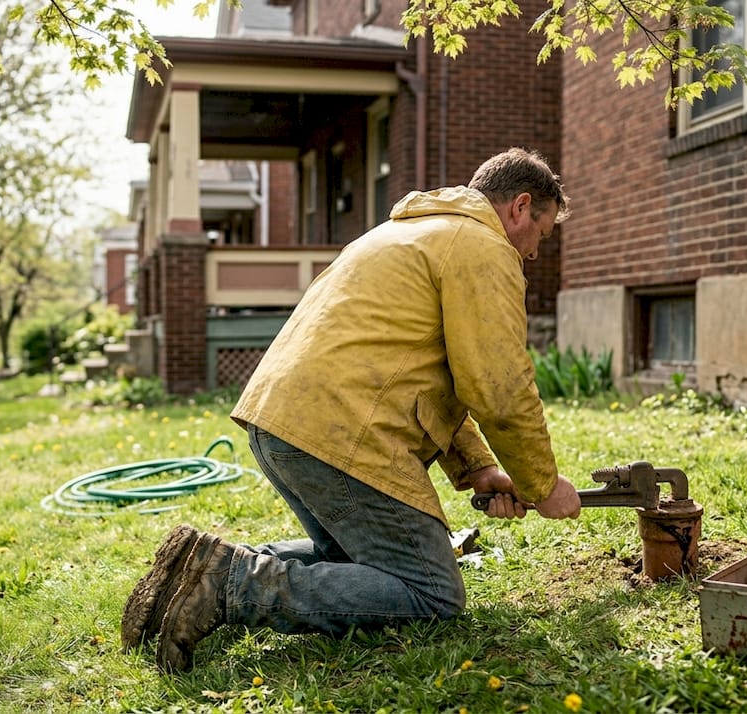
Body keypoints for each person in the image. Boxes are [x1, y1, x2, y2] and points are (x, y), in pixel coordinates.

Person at [121, 147, 582, 674]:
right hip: (341, 434)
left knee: (357, 565)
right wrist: (543, 485)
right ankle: (232, 583)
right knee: (431, 593)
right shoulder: (482, 246)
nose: (535, 254)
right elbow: (497, 384)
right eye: (541, 235)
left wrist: (479, 469)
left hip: (282, 421)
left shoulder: (405, 233)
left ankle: (194, 569)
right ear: (521, 207)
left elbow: (432, 368)